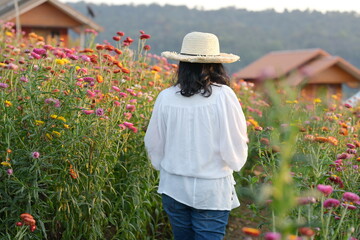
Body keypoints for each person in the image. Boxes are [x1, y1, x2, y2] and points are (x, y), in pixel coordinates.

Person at [144, 31, 248, 240]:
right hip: (211, 188)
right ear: (215, 65)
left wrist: (166, 165)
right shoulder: (223, 95)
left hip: (173, 186)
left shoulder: (166, 97)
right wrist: (234, 163)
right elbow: (235, 141)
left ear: (182, 64)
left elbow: (153, 143)